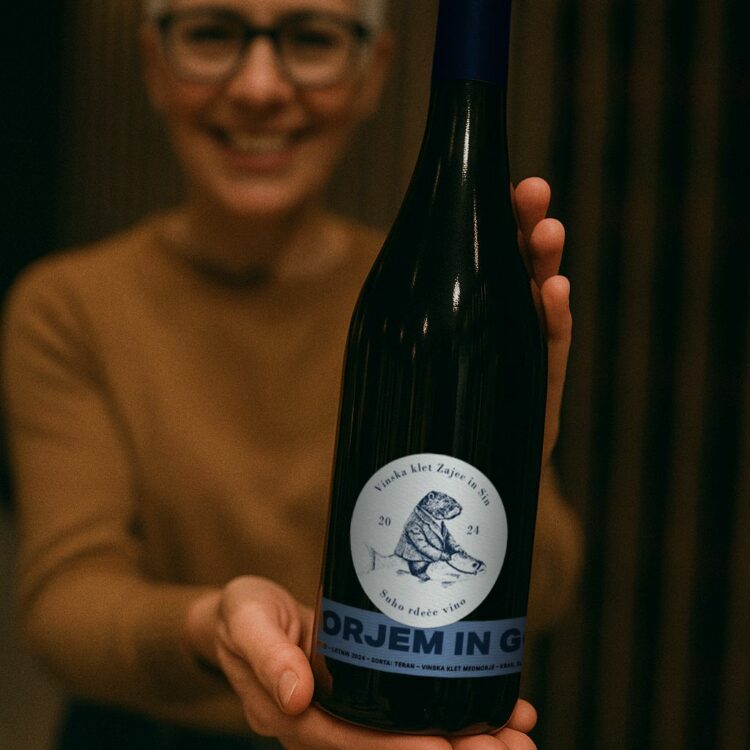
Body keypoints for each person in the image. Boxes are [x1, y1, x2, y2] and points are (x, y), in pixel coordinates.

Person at [2, 1, 580, 748]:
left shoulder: (443, 301)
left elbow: (550, 590)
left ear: (373, 72)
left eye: (311, 39)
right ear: (153, 63)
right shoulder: (68, 306)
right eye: (212, 34)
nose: (260, 87)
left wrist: (518, 461)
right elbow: (62, 606)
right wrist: (213, 628)